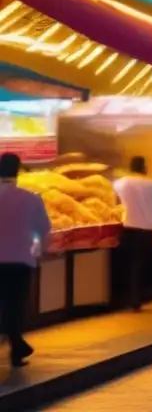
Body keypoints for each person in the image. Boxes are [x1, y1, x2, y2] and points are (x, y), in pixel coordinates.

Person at [0, 153, 50, 368]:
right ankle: (16, 349)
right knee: (15, 303)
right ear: (18, 171)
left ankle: (17, 344)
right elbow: (44, 229)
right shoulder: (32, 199)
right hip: (20, 260)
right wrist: (36, 250)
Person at [113, 155, 152, 312]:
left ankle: (128, 299)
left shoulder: (122, 182)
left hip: (129, 228)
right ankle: (137, 299)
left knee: (128, 265)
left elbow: (114, 201)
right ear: (144, 167)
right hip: (147, 229)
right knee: (140, 266)